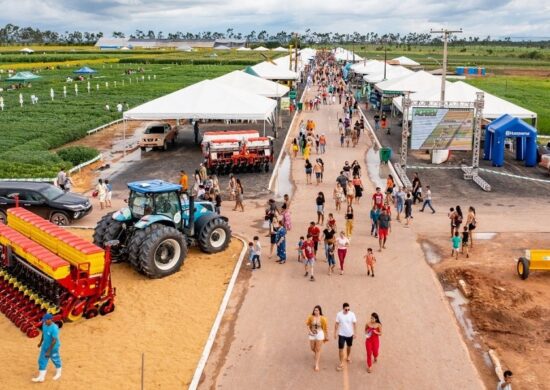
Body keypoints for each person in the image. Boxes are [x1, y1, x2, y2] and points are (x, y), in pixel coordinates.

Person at [32, 313, 62, 382]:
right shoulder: (44, 325)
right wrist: (40, 342)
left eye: (46, 320)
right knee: (41, 361)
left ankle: (59, 373)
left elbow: (54, 340)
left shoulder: (54, 328)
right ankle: (41, 377)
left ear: (50, 319)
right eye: (44, 320)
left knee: (55, 360)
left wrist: (49, 351)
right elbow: (43, 334)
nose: (44, 321)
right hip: (45, 345)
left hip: (53, 347)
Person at [334, 303, 357, 371]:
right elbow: (336, 323)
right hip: (341, 334)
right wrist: (335, 333)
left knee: (349, 347)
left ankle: (348, 356)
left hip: (350, 334)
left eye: (348, 309)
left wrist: (355, 333)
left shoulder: (352, 314)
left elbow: (354, 324)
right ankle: (341, 362)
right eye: (346, 309)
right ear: (343, 308)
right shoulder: (339, 314)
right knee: (340, 348)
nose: (347, 310)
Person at [306, 305, 329, 372]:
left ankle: (316, 364)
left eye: (317, 310)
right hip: (312, 334)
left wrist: (326, 335)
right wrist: (309, 331)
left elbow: (326, 328)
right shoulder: (310, 317)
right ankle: (316, 354)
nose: (316, 311)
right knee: (312, 348)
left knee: (318, 349)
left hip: (319, 334)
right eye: (315, 310)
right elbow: (307, 324)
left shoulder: (323, 318)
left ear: (320, 311)